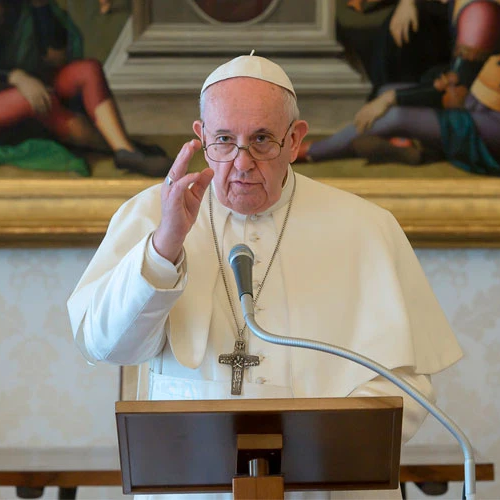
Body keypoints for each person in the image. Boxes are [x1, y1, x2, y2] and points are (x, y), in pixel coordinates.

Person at [67, 54, 463, 499]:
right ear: (200, 138)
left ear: (294, 140)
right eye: (223, 140)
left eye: (261, 140)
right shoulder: (151, 215)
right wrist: (164, 247)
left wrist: (317, 449)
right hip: (190, 489)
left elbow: (404, 384)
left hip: (324, 491)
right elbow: (103, 344)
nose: (241, 162)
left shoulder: (366, 227)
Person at [0, 0, 172, 178]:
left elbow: (55, 58)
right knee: (38, 98)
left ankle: (124, 149)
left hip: (22, 86)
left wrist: (40, 7)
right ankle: (120, 148)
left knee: (87, 70)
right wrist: (15, 76)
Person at [301, 0, 500, 177]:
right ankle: (420, 149)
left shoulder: (481, 12)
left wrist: (390, 99)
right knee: (391, 89)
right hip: (487, 103)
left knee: (392, 112)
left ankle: (309, 152)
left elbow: (453, 94)